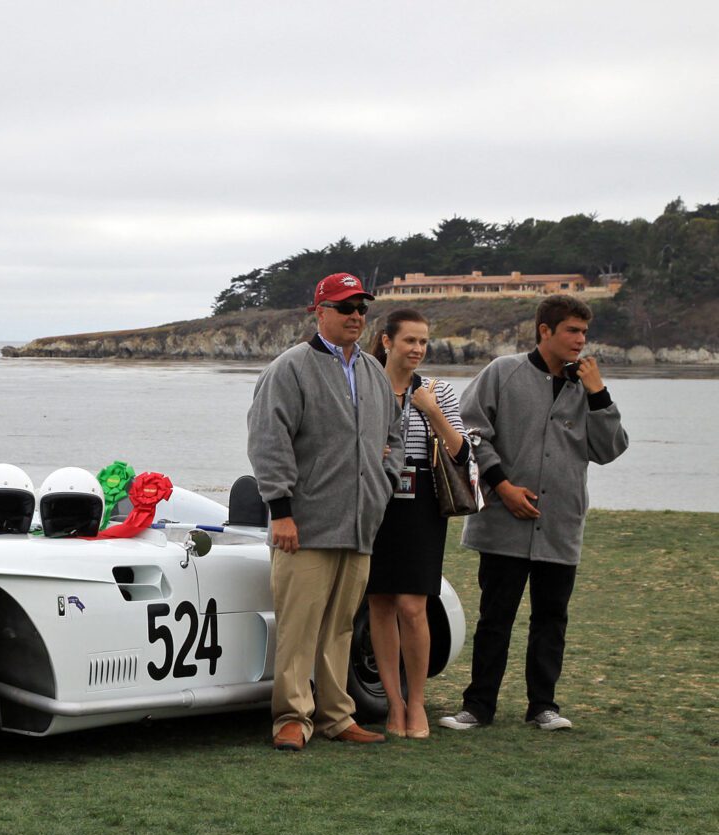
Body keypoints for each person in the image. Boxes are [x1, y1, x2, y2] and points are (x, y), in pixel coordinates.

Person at [440, 294, 628, 733]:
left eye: (584, 332)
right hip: (504, 524)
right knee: (495, 619)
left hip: (560, 525)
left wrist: (600, 394)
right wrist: (502, 486)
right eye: (572, 331)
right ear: (545, 330)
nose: (580, 341)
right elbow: (470, 432)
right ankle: (478, 707)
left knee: (551, 619)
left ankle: (543, 706)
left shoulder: (588, 389)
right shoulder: (503, 373)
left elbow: (610, 449)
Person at [247, 272, 402, 751]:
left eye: (361, 308)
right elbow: (268, 441)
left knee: (338, 627)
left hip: (359, 524)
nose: (356, 316)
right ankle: (292, 717)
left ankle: (337, 715)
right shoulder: (290, 368)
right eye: (345, 307)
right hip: (306, 525)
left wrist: (384, 482)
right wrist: (282, 511)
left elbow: (393, 439)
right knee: (298, 626)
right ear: (320, 312)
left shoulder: (375, 373)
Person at [366, 309, 466, 740]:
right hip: (375, 502)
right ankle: (394, 703)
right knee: (380, 605)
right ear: (386, 341)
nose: (418, 349)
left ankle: (418, 702)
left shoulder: (438, 390)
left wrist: (432, 412)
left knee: (413, 605)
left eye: (424, 342)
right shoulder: (365, 387)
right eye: (410, 340)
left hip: (422, 504)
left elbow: (461, 452)